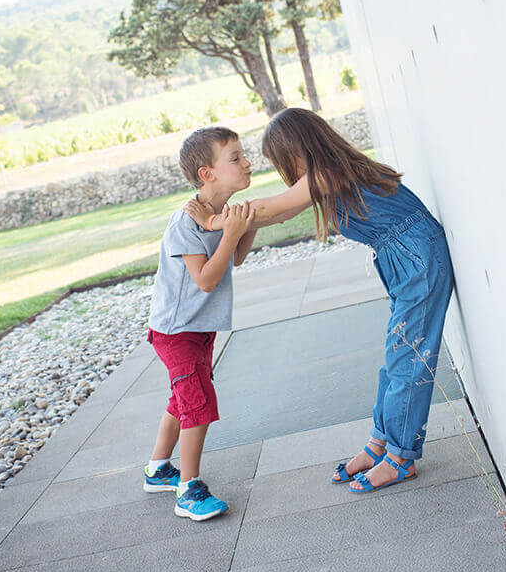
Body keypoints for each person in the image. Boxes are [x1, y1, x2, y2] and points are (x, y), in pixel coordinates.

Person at [184, 107, 454, 494]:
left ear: (298, 148)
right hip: (405, 260)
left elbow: (267, 208)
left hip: (417, 258)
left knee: (408, 358)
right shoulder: (329, 174)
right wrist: (232, 222)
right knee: (397, 356)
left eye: (281, 159)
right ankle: (380, 443)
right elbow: (276, 217)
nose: (283, 169)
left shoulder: (326, 173)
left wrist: (212, 221)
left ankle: (400, 458)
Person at [144, 125, 255, 520]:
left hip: (196, 329)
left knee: (182, 399)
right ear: (207, 174)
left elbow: (235, 257)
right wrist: (229, 230)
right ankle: (188, 491)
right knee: (198, 403)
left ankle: (159, 470)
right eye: (236, 158)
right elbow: (206, 280)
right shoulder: (185, 223)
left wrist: (241, 227)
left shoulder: (222, 213)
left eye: (244, 155)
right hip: (176, 333)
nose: (247, 163)